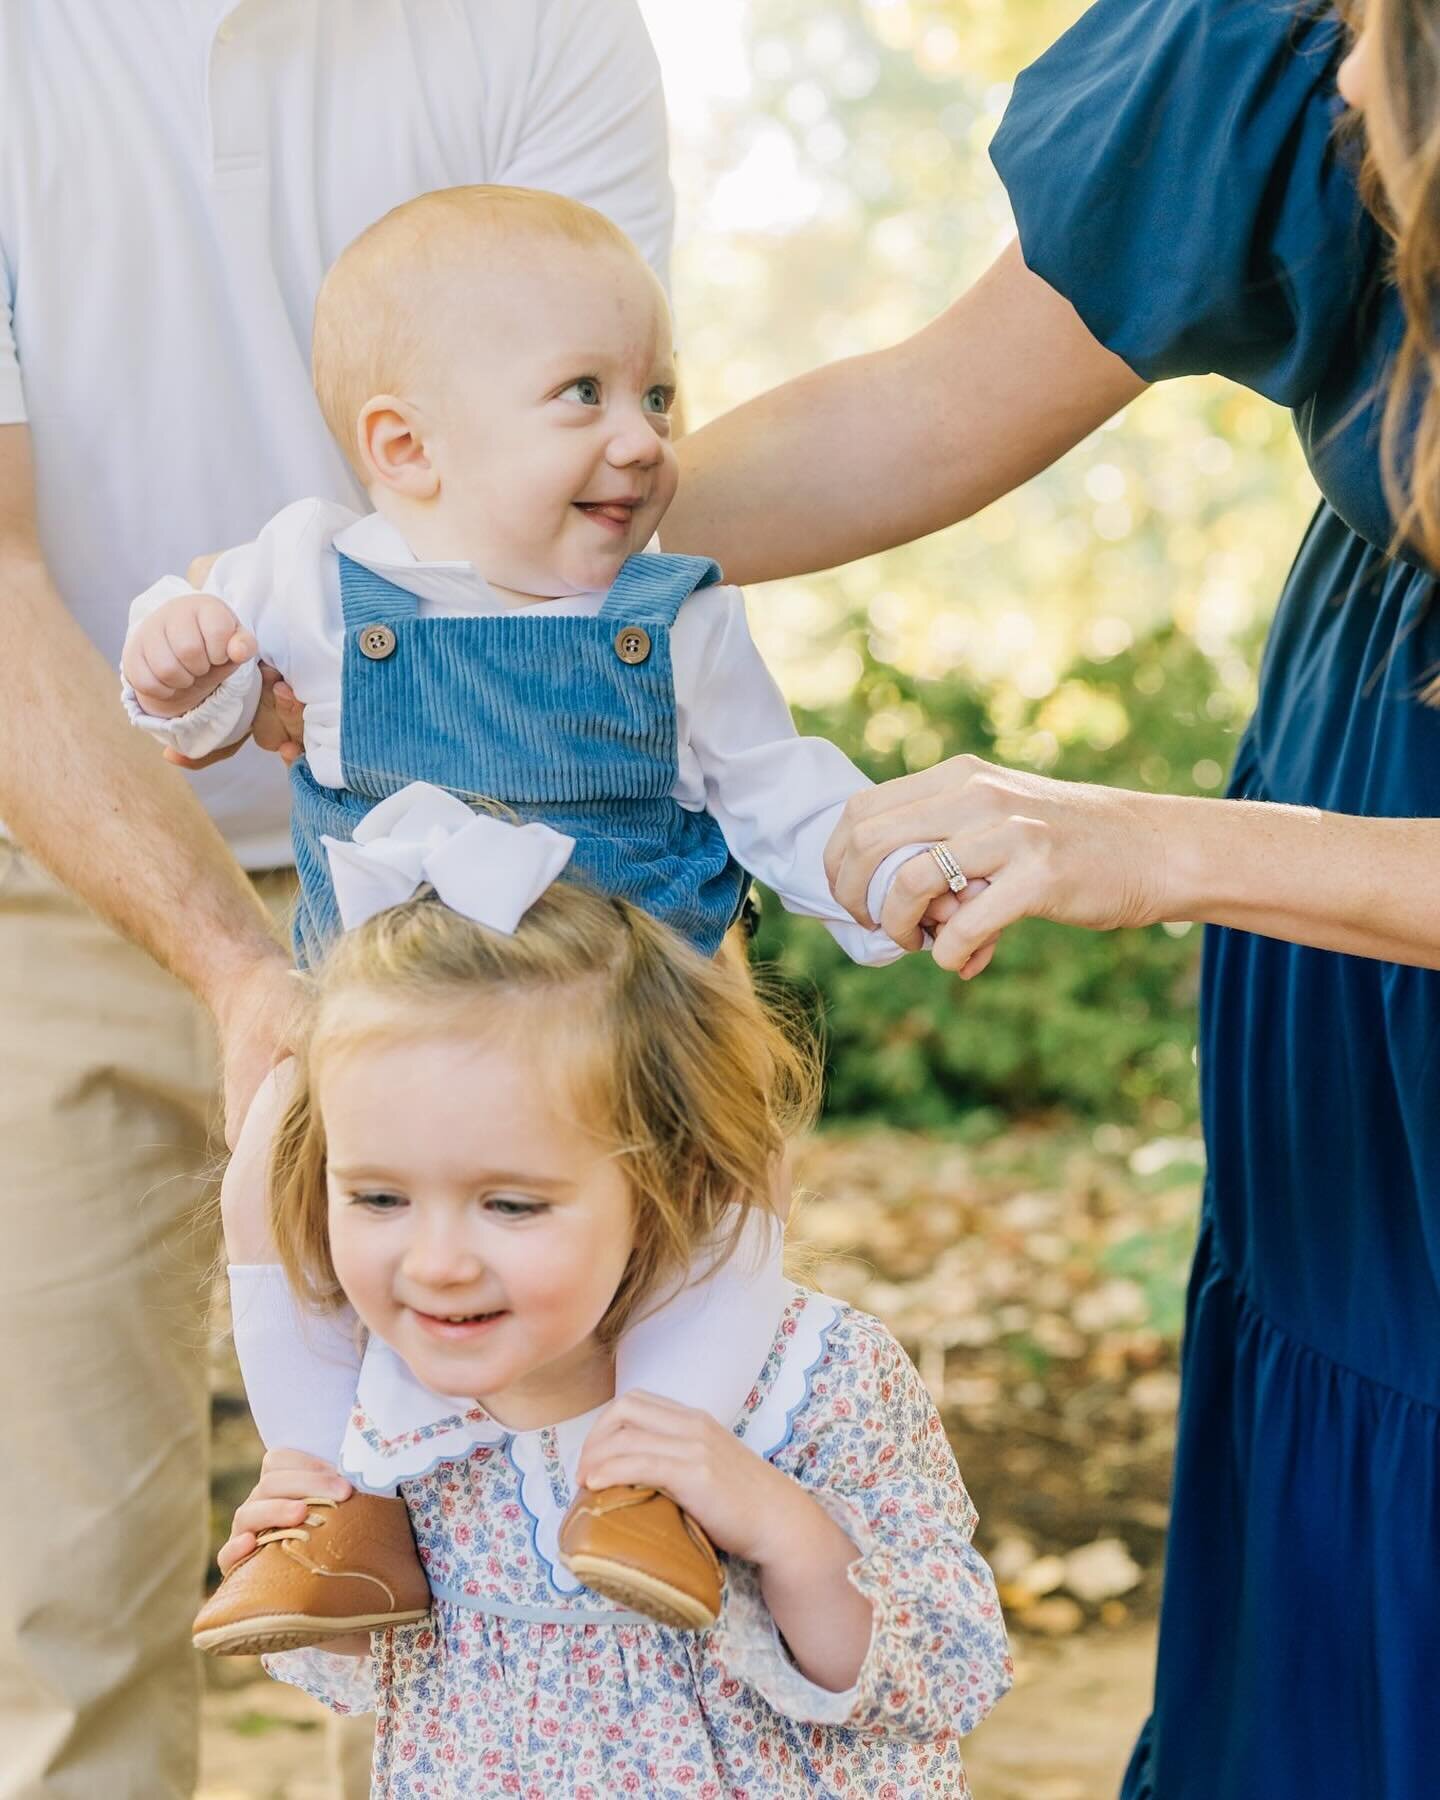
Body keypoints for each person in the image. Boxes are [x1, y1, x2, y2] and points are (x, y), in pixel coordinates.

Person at [652, 1, 1440, 1794]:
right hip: (1361, 917)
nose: (1335, 64)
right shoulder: (1291, 45)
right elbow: (928, 409)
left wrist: (1160, 848)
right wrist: (475, 555)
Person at [120, 186, 954, 1655]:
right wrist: (183, 660)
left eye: (657, 394)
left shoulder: (676, 617)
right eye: (583, 395)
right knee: (276, 1178)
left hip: (633, 1034)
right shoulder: (315, 575)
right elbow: (191, 706)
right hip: (399, 1037)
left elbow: (778, 793)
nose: (641, 436)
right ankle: (334, 1498)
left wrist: (876, 874)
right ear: (407, 448)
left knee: (722, 1196)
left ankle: (655, 1482)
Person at [0, 5, 677, 1791]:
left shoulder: (539, 31)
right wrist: (240, 970)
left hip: (488, 863)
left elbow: (591, 495)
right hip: (45, 856)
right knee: (54, 1607)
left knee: (527, 1577)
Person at [217, 794, 1012, 1795]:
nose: (439, 1261)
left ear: (665, 1182)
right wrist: (303, 1552)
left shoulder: (807, 1383)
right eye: (379, 1197)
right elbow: (385, 1686)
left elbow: (941, 1675)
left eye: (510, 1205)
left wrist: (781, 1530)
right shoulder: (393, 1417)